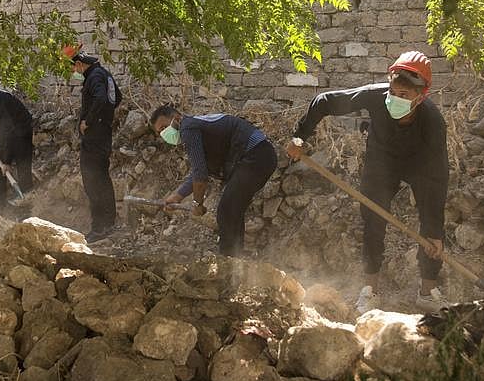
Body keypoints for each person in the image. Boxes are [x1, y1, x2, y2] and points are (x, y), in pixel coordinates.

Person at [286, 50, 449, 310]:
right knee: (373, 220)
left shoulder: (433, 123)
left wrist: (435, 230)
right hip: (382, 162)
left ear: (420, 97)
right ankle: (371, 290)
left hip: (422, 166)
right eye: (393, 93)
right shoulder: (376, 96)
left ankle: (427, 292)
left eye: (404, 96)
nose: (395, 99)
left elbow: (438, 179)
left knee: (431, 235)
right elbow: (324, 101)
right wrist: (299, 137)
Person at [152, 106, 278, 257]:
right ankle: (236, 263)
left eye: (165, 127)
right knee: (232, 211)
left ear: (177, 118)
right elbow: (201, 169)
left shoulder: (187, 128)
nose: (164, 133)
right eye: (160, 132)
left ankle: (229, 263)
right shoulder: (194, 126)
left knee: (226, 211)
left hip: (255, 155)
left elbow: (200, 175)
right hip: (260, 156)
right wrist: (178, 196)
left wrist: (197, 203)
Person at [66, 45, 122, 240]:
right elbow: (117, 98)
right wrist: (105, 119)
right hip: (102, 135)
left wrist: (89, 121)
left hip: (95, 137)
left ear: (80, 64)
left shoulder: (95, 76)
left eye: (74, 69)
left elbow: (101, 99)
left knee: (93, 181)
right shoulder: (103, 74)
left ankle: (99, 228)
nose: (74, 73)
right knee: (102, 179)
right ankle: (107, 224)